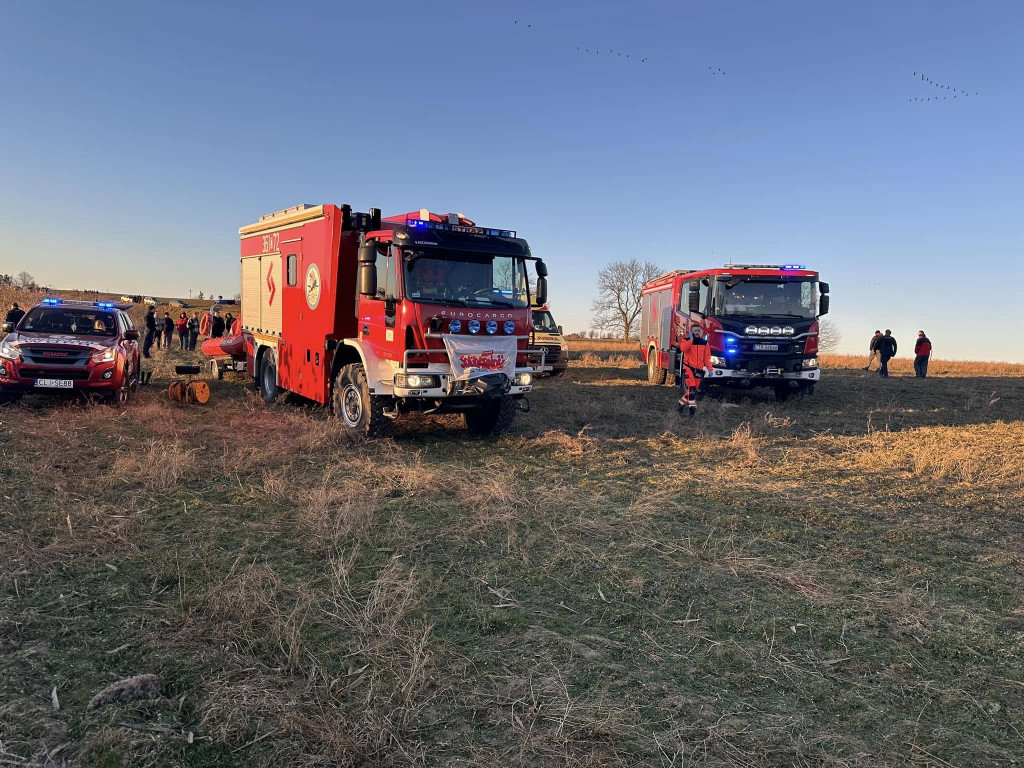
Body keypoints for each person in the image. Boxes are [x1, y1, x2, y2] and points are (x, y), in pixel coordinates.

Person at [676, 324, 714, 417]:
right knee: (692, 388)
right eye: (695, 330)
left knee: (693, 390)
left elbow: (707, 358)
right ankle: (692, 410)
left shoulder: (704, 343)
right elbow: (683, 349)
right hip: (688, 368)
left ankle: (680, 405)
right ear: (691, 331)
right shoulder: (686, 341)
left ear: (700, 332)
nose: (697, 332)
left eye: (698, 330)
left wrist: (710, 369)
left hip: (698, 370)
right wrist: (691, 340)